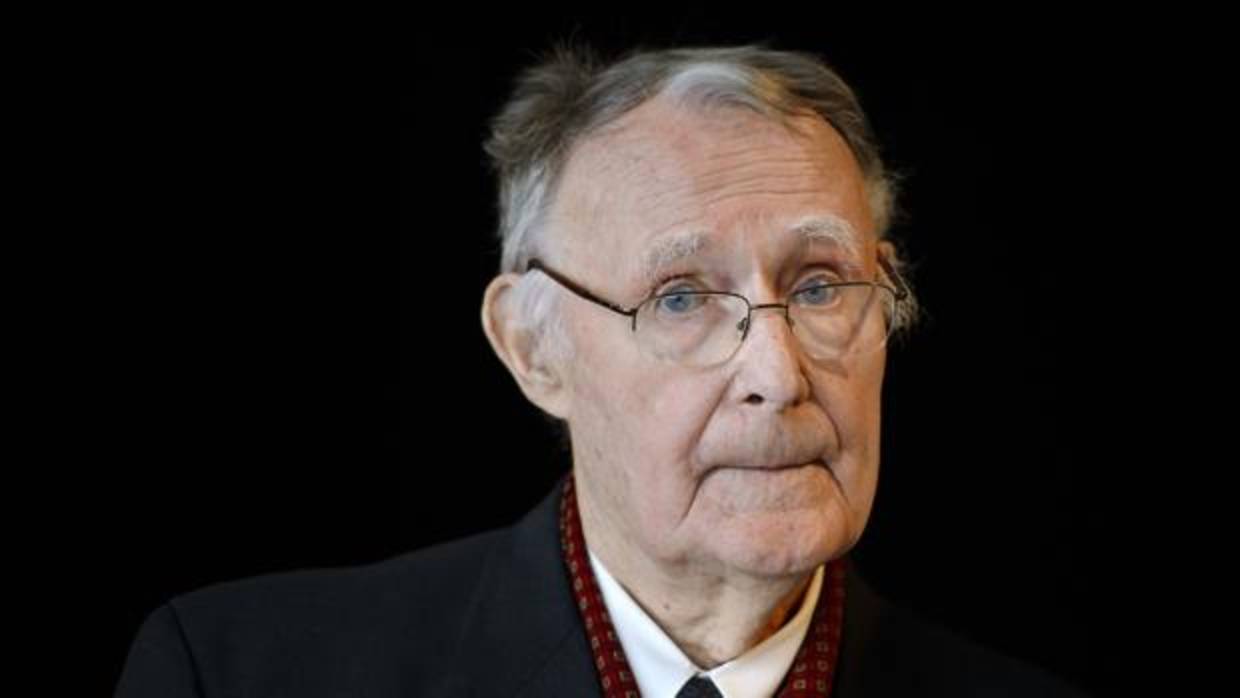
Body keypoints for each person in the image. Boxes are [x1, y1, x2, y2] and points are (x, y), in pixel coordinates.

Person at [115, 42, 1089, 697]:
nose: (778, 372)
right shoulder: (239, 672)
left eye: (820, 285)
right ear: (532, 347)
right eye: (681, 298)